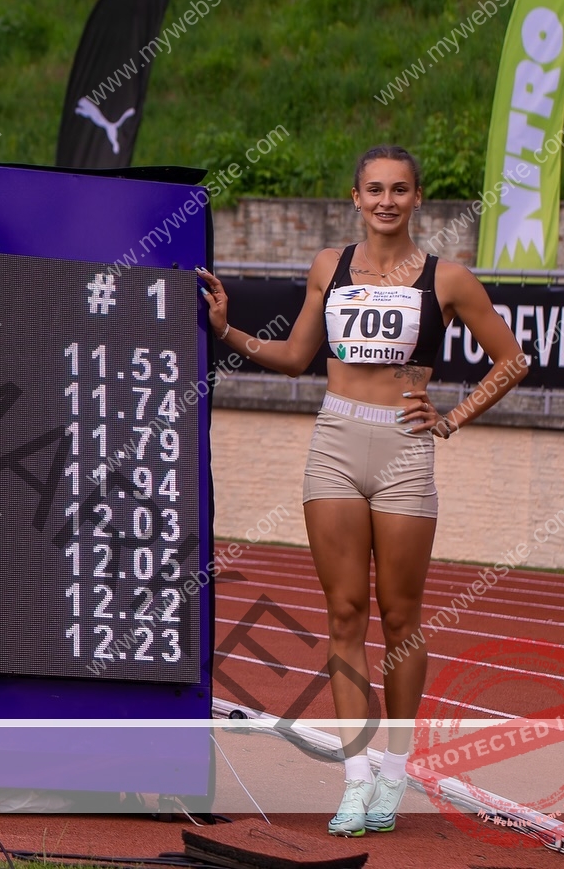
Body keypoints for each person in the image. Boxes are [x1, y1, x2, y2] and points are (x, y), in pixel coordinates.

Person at [195, 146, 528, 835]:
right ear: (355, 196)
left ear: (417, 197)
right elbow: (295, 357)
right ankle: (354, 777)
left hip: (406, 450)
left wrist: (452, 418)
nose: (386, 200)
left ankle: (395, 772)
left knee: (400, 618)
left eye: (399, 190)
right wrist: (225, 329)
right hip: (336, 443)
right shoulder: (329, 266)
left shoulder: (448, 278)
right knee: (343, 612)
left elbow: (513, 358)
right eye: (374, 189)